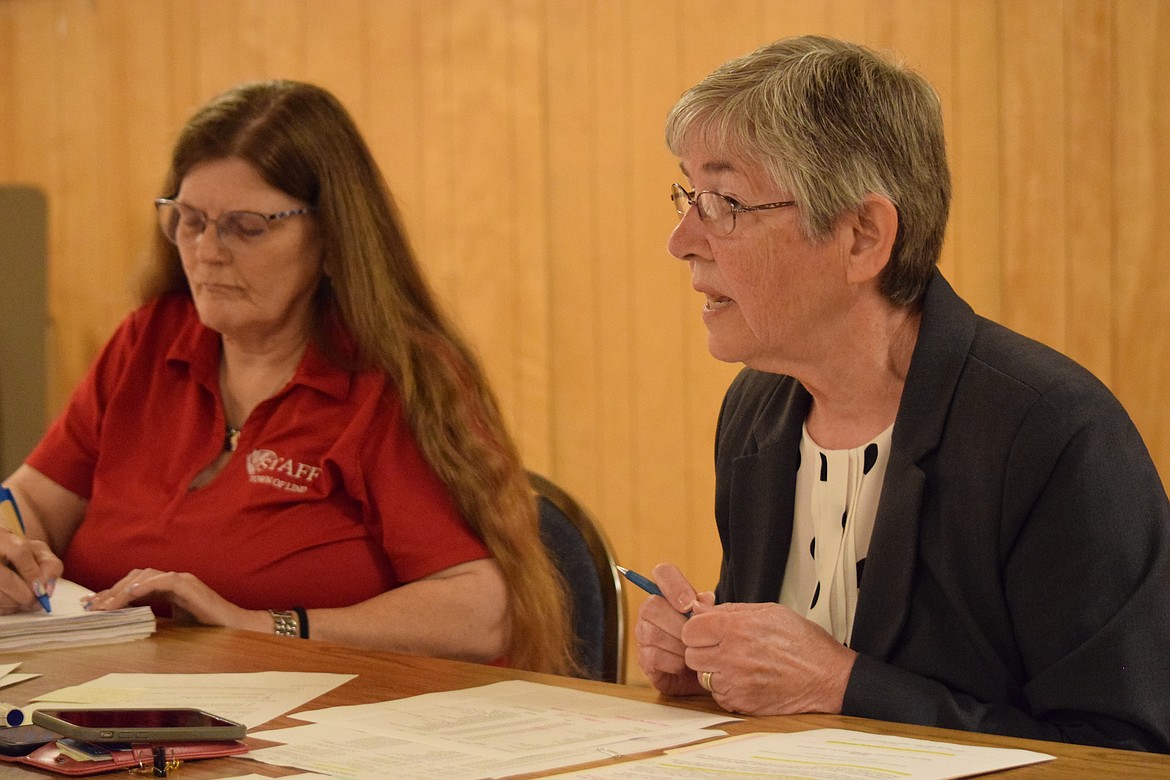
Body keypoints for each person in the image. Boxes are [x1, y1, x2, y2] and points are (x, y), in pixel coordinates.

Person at [634, 35, 1170, 752]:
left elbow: (1124, 753)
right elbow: (791, 698)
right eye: (687, 194)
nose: (682, 239)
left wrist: (840, 685)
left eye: (724, 201)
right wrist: (713, 657)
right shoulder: (756, 412)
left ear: (863, 236)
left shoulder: (1053, 434)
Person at [0, 79, 575, 674]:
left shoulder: (392, 379)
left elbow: (482, 610)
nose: (207, 252)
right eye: (190, 221)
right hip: (127, 711)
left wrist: (261, 627)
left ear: (331, 238)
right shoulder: (150, 339)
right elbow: (33, 501)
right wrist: (8, 548)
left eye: (246, 227)